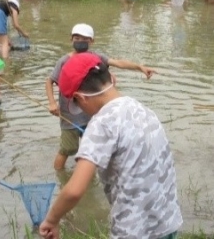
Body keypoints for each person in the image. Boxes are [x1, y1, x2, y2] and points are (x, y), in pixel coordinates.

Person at [40, 52, 183, 239]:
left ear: (80, 98)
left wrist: (51, 220)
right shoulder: (144, 110)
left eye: (78, 105)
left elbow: (74, 190)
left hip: (134, 231)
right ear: (112, 79)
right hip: (168, 222)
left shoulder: (101, 123)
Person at [45, 23, 156, 170]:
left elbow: (117, 62)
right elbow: (50, 80)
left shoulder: (95, 58)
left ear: (92, 41)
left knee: (90, 152)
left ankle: (84, 178)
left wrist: (139, 67)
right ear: (71, 39)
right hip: (70, 117)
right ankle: (59, 177)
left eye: (85, 38)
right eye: (77, 38)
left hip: (91, 115)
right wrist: (52, 103)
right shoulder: (64, 61)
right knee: (67, 149)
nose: (80, 41)